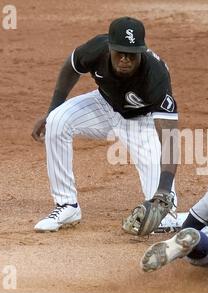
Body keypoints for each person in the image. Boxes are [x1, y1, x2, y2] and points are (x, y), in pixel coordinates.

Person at [31, 17, 181, 232]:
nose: (125, 60)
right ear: (110, 47)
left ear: (142, 51)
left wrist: (164, 189)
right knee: (57, 120)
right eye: (120, 52)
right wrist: (52, 110)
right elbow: (70, 67)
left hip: (141, 122)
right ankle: (67, 205)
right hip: (103, 104)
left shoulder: (156, 76)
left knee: (161, 215)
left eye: (132, 54)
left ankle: (183, 219)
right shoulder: (96, 49)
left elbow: (170, 140)